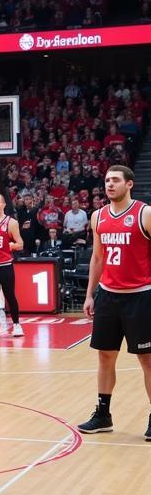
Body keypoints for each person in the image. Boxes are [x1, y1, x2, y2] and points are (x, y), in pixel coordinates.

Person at [76, 165, 151, 437]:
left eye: (115, 180)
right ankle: (103, 414)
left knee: (147, 359)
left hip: (140, 295)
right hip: (108, 295)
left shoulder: (145, 213)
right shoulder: (98, 217)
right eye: (107, 180)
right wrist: (90, 294)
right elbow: (97, 258)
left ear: (129, 184)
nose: (109, 184)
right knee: (105, 356)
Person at [0, 192, 25, 337]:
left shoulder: (11, 223)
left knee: (9, 296)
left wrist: (8, 246)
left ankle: (17, 325)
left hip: (5, 265)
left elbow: (20, 244)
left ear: (3, 204)